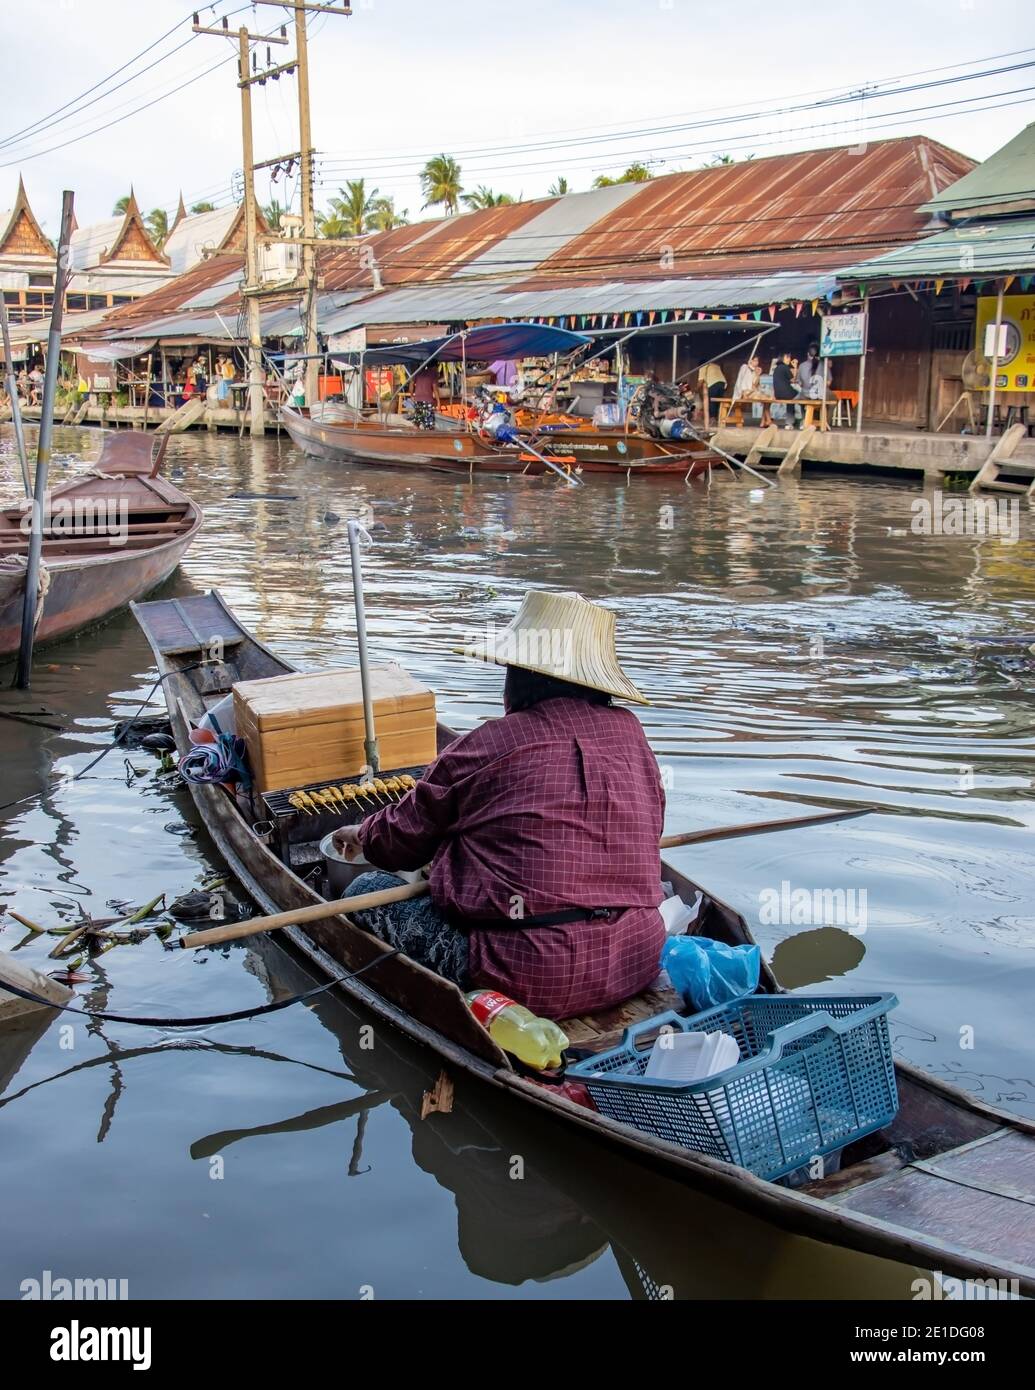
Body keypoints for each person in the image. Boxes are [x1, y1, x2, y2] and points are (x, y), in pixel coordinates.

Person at [333, 590, 667, 1021]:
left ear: (521, 677)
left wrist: (362, 835)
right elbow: (650, 827)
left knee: (365, 894)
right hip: (637, 956)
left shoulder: (490, 744)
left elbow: (401, 841)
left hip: (528, 973)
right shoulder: (632, 735)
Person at [410, 363, 439, 429]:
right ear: (435, 367)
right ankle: (428, 437)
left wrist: (411, 395)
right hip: (427, 401)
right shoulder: (433, 374)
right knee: (429, 424)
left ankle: (415, 436)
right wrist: (438, 402)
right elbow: (435, 389)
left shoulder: (419, 372)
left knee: (417, 422)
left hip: (418, 400)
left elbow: (411, 384)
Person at [772, 352, 796, 429]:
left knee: (793, 395)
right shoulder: (785, 367)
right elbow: (793, 380)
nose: (789, 359)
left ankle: (790, 422)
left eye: (789, 357)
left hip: (777, 394)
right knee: (800, 396)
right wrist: (795, 367)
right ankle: (792, 422)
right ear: (782, 358)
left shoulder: (776, 368)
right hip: (786, 393)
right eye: (787, 357)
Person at [698, 359, 726, 423]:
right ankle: (718, 418)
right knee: (718, 400)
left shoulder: (703, 367)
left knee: (710, 400)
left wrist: (696, 389)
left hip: (713, 383)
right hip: (723, 383)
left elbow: (700, 381)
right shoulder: (716, 366)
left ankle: (712, 418)